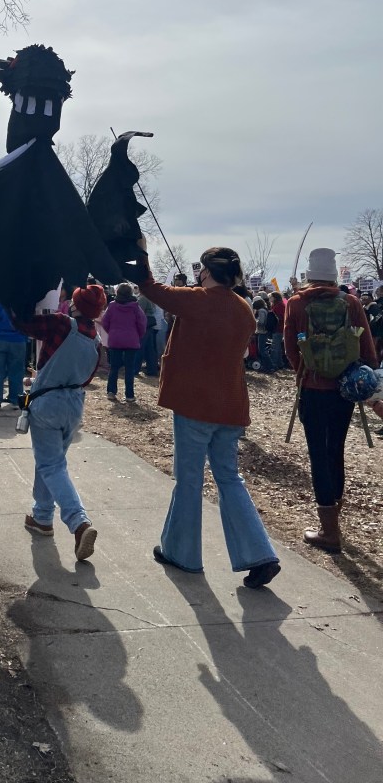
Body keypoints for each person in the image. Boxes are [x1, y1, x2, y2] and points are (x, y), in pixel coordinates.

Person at [137, 245, 281, 588]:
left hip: (195, 405)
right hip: (230, 405)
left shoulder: (197, 298)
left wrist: (141, 254)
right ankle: (260, 554)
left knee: (188, 478)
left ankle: (182, 554)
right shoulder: (245, 309)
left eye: (201, 269)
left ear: (207, 271)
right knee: (229, 478)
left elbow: (150, 287)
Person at [283, 248, 377, 552]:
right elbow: (367, 350)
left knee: (317, 453)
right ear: (334, 275)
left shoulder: (296, 303)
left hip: (312, 388)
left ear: (309, 275)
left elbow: (290, 349)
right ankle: (334, 516)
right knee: (335, 449)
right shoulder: (351, 302)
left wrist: (305, 372)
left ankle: (329, 531)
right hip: (343, 391)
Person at [14, 283, 106, 562]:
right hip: (74, 403)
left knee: (51, 465)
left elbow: (23, 324)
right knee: (51, 463)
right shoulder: (96, 340)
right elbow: (87, 377)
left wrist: (18, 297)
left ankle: (79, 523)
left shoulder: (61, 323)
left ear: (76, 305)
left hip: (48, 402)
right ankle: (42, 516)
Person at [100, 283, 147, 403]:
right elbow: (142, 323)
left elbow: (104, 322)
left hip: (115, 340)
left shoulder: (112, 306)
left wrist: (112, 332)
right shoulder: (135, 307)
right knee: (129, 369)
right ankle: (129, 395)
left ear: (117, 292)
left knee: (114, 367)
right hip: (131, 340)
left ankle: (111, 392)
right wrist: (138, 335)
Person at [134, 286, 160, 376]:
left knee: (140, 348)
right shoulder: (149, 298)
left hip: (144, 324)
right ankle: (152, 370)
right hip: (149, 325)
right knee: (150, 349)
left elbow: (139, 312)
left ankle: (135, 369)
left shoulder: (143, 299)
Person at [251, 298, 274, 373]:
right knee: (262, 349)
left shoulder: (261, 311)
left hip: (262, 332)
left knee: (262, 350)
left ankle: (269, 366)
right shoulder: (265, 310)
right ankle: (268, 366)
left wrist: (255, 321)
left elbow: (261, 322)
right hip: (265, 331)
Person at [269, 291, 287, 370]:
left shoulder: (279, 305)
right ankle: (280, 363)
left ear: (275, 297)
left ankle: (274, 364)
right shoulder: (277, 304)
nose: (270, 298)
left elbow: (281, 317)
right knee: (278, 347)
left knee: (275, 347)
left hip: (278, 328)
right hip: (276, 328)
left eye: (271, 297)